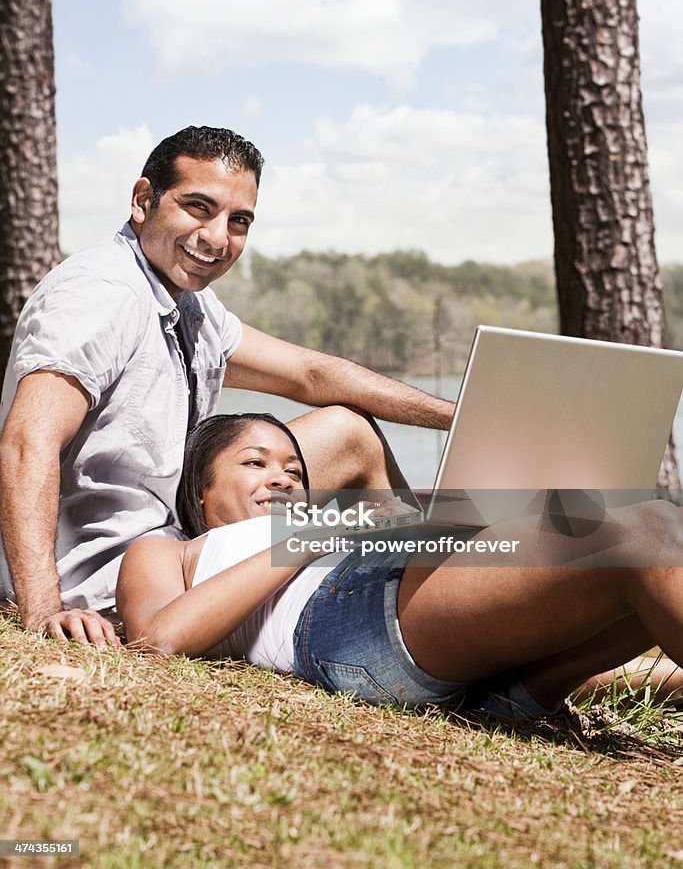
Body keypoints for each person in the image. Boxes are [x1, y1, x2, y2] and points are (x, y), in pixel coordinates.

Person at [0, 126, 453, 647]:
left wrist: (464, 417)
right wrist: (41, 608)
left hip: (177, 531)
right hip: (112, 581)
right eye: (198, 207)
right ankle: (417, 628)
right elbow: (26, 442)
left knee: (350, 433)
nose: (217, 237)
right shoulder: (99, 294)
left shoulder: (186, 302)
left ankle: (423, 591)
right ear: (144, 200)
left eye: (238, 221)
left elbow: (311, 374)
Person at [116, 413, 683, 722]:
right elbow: (159, 640)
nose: (285, 478)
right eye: (254, 463)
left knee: (638, 538)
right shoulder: (168, 550)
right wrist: (311, 534)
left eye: (294, 469)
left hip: (390, 584)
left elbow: (420, 520)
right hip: (342, 616)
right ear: (200, 490)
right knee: (650, 532)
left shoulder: (322, 523)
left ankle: (514, 693)